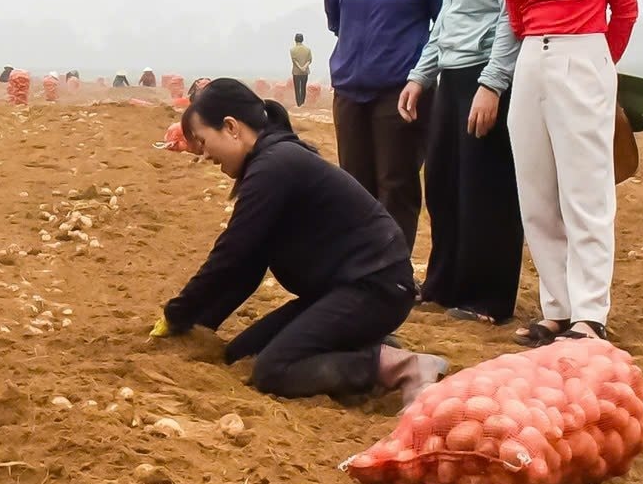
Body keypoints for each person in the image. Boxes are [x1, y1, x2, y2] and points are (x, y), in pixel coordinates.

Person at [152, 80, 446, 401]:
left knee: (273, 370)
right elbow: (246, 268)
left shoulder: (274, 166)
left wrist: (176, 314)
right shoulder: (269, 162)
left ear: (231, 127)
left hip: (374, 287)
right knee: (241, 354)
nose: (205, 154)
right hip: (340, 290)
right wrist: (199, 325)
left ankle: (401, 365)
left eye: (205, 142)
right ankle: (370, 347)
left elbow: (230, 254)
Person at [499, 0, 638, 346]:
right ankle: (555, 308)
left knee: (585, 191)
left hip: (584, 53)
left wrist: (599, 66)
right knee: (536, 192)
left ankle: (589, 313)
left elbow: (623, 10)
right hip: (531, 58)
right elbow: (514, 15)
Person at [399, 0, 533, 324]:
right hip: (451, 76)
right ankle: (443, 282)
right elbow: (449, 15)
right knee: (444, 184)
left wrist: (493, 84)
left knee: (486, 188)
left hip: (486, 75)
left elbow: (509, 19)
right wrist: (422, 74)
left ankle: (486, 298)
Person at [323, 0, 445, 247]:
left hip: (401, 93)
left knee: (396, 184)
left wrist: (415, 74)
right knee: (353, 184)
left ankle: (392, 268)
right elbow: (335, 17)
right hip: (349, 89)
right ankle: (358, 266)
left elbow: (444, 26)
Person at [289, 33, 312, 107]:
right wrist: (304, 67)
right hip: (305, 72)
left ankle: (298, 104)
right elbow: (309, 60)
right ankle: (302, 103)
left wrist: (300, 67)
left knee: (297, 89)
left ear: (295, 40)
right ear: (303, 39)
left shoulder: (292, 50)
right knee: (303, 88)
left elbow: (294, 60)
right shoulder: (308, 49)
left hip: (296, 72)